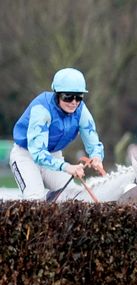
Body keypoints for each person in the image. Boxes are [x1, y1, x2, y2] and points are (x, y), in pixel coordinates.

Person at [10, 68, 104, 200]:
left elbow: (93, 142)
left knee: (75, 198)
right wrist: (67, 167)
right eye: (68, 97)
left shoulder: (81, 109)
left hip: (54, 156)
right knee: (35, 200)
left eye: (78, 97)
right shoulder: (41, 109)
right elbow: (38, 153)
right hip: (27, 156)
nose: (73, 102)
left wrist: (96, 157)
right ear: (57, 94)